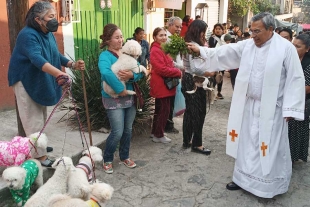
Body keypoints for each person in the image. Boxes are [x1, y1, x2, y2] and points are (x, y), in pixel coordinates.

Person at [187, 12, 305, 198]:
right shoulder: (249, 45)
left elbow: (295, 79)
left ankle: (267, 188)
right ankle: (242, 180)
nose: (253, 35)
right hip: (249, 105)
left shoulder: (285, 49)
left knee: (267, 147)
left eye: (257, 31)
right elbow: (225, 51)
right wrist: (201, 50)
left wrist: (290, 108)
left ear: (271, 29)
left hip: (272, 110)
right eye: (251, 31)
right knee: (246, 144)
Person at [7, 1, 85, 167]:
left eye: (54, 16)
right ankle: (39, 157)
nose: (54, 20)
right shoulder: (27, 35)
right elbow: (37, 59)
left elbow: (54, 54)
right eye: (50, 17)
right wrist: (59, 74)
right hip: (25, 79)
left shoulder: (47, 33)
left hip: (39, 78)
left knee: (41, 116)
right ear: (38, 19)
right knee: (32, 119)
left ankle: (38, 147)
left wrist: (71, 65)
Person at [98, 24, 144, 174]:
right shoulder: (105, 56)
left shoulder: (127, 53)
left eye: (121, 37)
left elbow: (140, 71)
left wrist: (132, 76)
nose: (120, 40)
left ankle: (125, 156)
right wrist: (120, 89)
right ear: (108, 40)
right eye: (116, 37)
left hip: (129, 97)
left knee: (128, 130)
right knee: (117, 131)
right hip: (113, 97)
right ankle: (108, 158)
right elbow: (106, 73)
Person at [181, 20, 213, 154]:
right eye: (203, 32)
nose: (204, 35)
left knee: (190, 112)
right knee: (199, 113)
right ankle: (197, 144)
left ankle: (187, 139)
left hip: (188, 79)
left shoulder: (189, 42)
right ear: (198, 31)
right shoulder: (193, 45)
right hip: (193, 81)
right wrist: (209, 72)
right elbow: (195, 68)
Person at [149, 27, 182, 143]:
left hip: (164, 83)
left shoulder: (162, 48)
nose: (163, 37)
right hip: (161, 83)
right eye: (160, 35)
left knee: (160, 109)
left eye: (164, 35)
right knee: (164, 110)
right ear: (154, 37)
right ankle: (159, 134)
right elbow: (161, 69)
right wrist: (177, 72)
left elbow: (168, 64)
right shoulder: (155, 50)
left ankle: (156, 132)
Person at [288, 33, 310, 162]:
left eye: (298, 46)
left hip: (302, 101)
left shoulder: (308, 63)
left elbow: (307, 87)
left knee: (296, 128)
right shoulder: (289, 59)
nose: (294, 48)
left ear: (307, 48)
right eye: (293, 45)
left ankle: (292, 156)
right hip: (287, 99)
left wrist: (288, 90)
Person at [164, 16, 183, 134]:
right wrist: (181, 68)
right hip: (169, 74)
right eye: (177, 26)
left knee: (172, 100)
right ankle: (167, 124)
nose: (179, 29)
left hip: (176, 73)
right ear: (169, 25)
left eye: (180, 27)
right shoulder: (165, 38)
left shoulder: (176, 38)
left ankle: (169, 123)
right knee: (168, 101)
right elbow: (168, 59)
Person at [208, 23, 225, 99]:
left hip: (222, 60)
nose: (218, 30)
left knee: (221, 76)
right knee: (214, 76)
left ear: (222, 30)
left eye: (219, 29)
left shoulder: (224, 38)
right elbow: (212, 48)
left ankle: (219, 92)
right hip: (214, 59)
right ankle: (212, 92)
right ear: (214, 30)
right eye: (216, 29)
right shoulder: (212, 38)